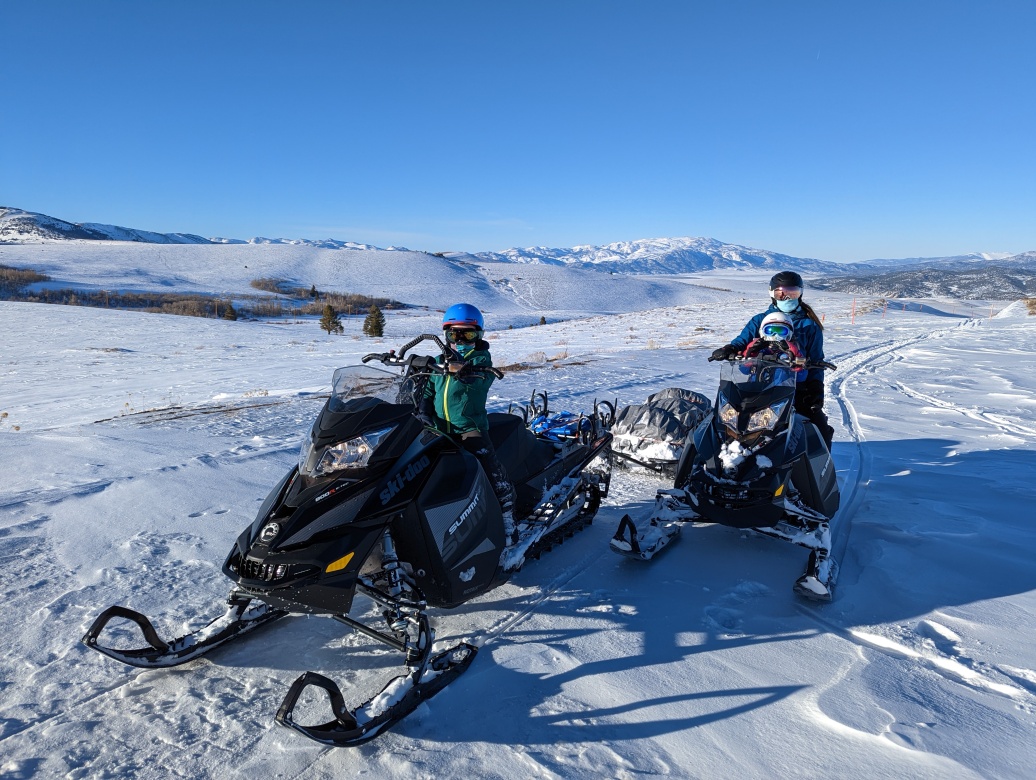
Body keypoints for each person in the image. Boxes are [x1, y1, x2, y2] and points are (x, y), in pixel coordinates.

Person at [420, 303, 517, 535]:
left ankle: (507, 515)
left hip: (468, 427)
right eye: (455, 335)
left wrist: (466, 372)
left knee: (489, 467)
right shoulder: (439, 360)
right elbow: (429, 389)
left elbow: (481, 380)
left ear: (479, 336)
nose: (461, 341)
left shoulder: (480, 361)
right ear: (446, 336)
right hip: (439, 428)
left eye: (468, 335)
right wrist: (423, 407)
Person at [711, 271, 835, 449]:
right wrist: (729, 349)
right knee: (728, 416)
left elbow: (816, 359)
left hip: (795, 386)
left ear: (800, 294)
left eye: (792, 293)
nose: (786, 298)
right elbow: (742, 341)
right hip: (758, 382)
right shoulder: (760, 320)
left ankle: (820, 463)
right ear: (772, 294)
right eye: (781, 293)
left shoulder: (809, 325)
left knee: (818, 427)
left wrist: (816, 387)